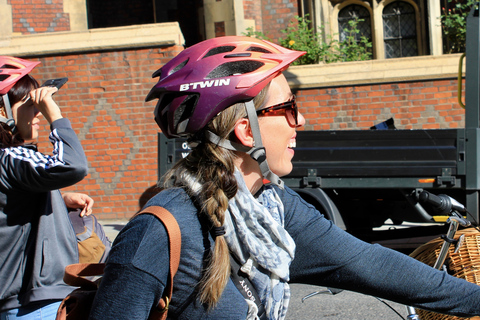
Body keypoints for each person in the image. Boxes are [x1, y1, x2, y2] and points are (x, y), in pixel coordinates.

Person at [88, 36, 480, 320]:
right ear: (246, 131)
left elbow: (372, 264)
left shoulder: (273, 207)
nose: (301, 121)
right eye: (289, 108)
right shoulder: (158, 233)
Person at [0, 56, 90, 320]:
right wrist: (55, 116)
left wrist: (59, 200)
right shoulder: (13, 157)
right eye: (31, 104)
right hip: (35, 306)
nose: (38, 112)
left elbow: (11, 207)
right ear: (3, 112)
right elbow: (72, 165)